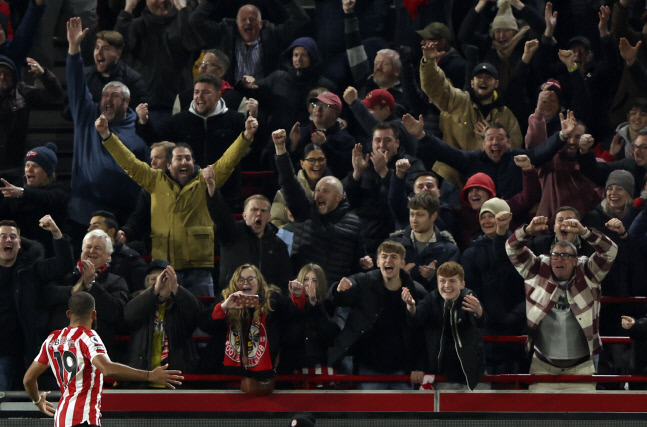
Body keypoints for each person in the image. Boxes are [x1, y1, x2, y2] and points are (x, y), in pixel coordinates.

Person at [96, 113, 257, 297]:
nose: (184, 162)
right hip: (164, 267)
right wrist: (107, 136)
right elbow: (129, 163)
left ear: (193, 162)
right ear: (169, 164)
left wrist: (246, 137)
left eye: (188, 158)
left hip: (199, 269)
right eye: (179, 158)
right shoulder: (154, 180)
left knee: (199, 320)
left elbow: (229, 161)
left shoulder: (205, 179)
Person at [23, 292, 183, 426]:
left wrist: (38, 401)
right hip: (83, 417)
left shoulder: (52, 339)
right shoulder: (87, 336)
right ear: (94, 314)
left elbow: (28, 379)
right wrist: (149, 375)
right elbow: (107, 368)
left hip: (62, 418)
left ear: (68, 314)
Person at [505, 215, 618, 391]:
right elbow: (512, 248)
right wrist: (527, 231)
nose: (559, 259)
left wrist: (584, 232)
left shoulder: (588, 271)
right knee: (540, 419)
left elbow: (610, 250)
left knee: (583, 418)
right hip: (542, 368)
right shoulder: (537, 270)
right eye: (555, 255)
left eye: (565, 256)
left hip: (581, 369)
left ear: (575, 260)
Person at [66, 17, 149, 231]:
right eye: (104, 95)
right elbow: (76, 83)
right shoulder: (88, 117)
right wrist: (74, 49)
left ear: (127, 101)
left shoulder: (139, 129)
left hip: (122, 216)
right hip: (82, 212)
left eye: (114, 96)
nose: (108, 100)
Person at [418, 38, 522, 188]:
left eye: (488, 78)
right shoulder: (458, 101)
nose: (483, 81)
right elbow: (436, 87)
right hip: (453, 173)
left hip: (488, 176)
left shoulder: (506, 115)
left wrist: (490, 139)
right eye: (479, 77)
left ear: (496, 83)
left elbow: (514, 148)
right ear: (472, 82)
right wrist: (429, 63)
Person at [272, 128, 371, 285]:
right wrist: (280, 149)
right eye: (317, 191)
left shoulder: (354, 224)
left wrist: (364, 264)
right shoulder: (305, 211)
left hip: (337, 296)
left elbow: (358, 262)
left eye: (325, 191)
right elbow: (289, 183)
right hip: (304, 294)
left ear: (339, 197)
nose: (318, 195)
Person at [136, 72, 246, 208]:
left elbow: (249, 147)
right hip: (187, 195)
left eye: (206, 92)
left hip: (228, 196)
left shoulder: (236, 120)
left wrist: (254, 117)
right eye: (196, 92)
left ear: (218, 95)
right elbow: (157, 143)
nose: (199, 96)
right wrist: (144, 122)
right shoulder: (179, 121)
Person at [328, 241, 427, 390]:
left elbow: (421, 332)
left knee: (404, 413)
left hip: (402, 368)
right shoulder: (363, 282)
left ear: (402, 263)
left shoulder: (417, 291)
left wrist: (419, 366)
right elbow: (339, 298)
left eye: (394, 256)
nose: (388, 260)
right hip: (369, 366)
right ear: (378, 261)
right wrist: (338, 289)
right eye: (384, 256)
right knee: (369, 412)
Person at [408, 113, 570, 200]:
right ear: (483, 143)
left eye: (500, 139)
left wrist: (562, 135)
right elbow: (446, 152)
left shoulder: (518, 157)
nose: (495, 143)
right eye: (490, 139)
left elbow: (541, 152)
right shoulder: (472, 159)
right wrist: (422, 135)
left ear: (509, 142)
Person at [0, 215, 74, 391]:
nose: (8, 240)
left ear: (19, 242)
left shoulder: (31, 269)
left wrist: (56, 233)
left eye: (12, 236)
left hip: (25, 351)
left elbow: (63, 265)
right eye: (3, 236)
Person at [461, 201, 527, 376]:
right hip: (485, 330)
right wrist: (483, 315)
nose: (487, 221)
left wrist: (516, 315)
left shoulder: (522, 248)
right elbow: (470, 289)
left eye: (492, 216)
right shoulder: (471, 253)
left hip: (517, 330)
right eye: (484, 217)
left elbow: (530, 287)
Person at [42, 229, 129, 356]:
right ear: (82, 251)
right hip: (58, 350)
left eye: (98, 248)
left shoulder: (116, 281)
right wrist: (73, 289)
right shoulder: (65, 276)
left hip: (94, 354)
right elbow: (46, 297)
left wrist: (92, 284)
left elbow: (115, 314)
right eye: (88, 247)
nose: (92, 251)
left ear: (108, 256)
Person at [204, 167, 292, 293]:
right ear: (244, 216)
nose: (259, 214)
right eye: (254, 210)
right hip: (233, 300)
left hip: (266, 304)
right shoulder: (231, 233)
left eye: (263, 211)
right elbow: (221, 215)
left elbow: (284, 282)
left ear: (269, 217)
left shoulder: (279, 245)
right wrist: (212, 188)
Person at [402, 261, 485, 391]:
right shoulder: (432, 298)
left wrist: (479, 312)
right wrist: (411, 307)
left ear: (462, 284)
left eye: (452, 281)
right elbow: (415, 322)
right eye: (442, 281)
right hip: (440, 373)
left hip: (470, 374)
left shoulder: (469, 298)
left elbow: (481, 323)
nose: (447, 285)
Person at [343, 122, 425, 253]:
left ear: (397, 143)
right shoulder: (364, 164)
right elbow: (347, 202)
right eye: (378, 140)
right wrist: (356, 173)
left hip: (396, 236)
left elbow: (414, 195)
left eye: (388, 140)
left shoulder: (411, 164)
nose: (382, 145)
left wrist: (385, 173)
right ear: (372, 143)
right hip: (363, 237)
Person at [115, 0, 203, 122]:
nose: (162, 1)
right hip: (143, 108)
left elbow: (195, 44)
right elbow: (118, 49)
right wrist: (128, 10)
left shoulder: (183, 23)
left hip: (179, 108)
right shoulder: (135, 25)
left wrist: (184, 10)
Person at [198, 264, 283, 382]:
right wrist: (224, 307)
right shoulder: (225, 299)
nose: (246, 283)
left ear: (259, 282)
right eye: (241, 280)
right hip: (226, 374)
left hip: (262, 376)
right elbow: (204, 324)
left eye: (251, 279)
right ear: (234, 283)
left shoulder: (272, 303)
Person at [189, 0, 310, 83]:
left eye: (252, 19)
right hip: (232, 95)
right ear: (236, 23)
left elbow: (301, 20)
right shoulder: (224, 34)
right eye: (243, 19)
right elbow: (195, 20)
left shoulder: (273, 35)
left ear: (261, 24)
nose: (248, 22)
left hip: (264, 94)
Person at [123, 260, 199, 385]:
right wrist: (154, 290)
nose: (161, 281)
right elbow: (128, 317)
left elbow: (196, 314)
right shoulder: (138, 300)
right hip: (142, 375)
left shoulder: (181, 303)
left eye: (165, 278)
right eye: (154, 279)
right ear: (147, 283)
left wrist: (176, 288)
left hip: (176, 375)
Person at [0, 143, 70, 257]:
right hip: (18, 255)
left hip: (47, 256)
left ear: (47, 172)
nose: (29, 169)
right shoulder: (15, 190)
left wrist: (22, 193)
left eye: (35, 166)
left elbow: (47, 198)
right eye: (27, 165)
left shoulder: (59, 191)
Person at [0, 55, 64, 180]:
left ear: (13, 76)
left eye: (6, 73)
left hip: (15, 167)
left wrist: (44, 74)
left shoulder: (22, 91)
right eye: (0, 73)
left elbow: (55, 95)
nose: (2, 77)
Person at [389, 192, 459, 292]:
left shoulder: (449, 250)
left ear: (434, 215)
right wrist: (397, 275)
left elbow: (453, 287)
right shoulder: (393, 245)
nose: (414, 220)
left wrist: (434, 276)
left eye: (420, 215)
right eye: (412, 214)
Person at [278, 264, 340, 375]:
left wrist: (315, 304)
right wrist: (297, 302)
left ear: (320, 283)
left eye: (314, 280)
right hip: (290, 367)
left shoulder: (329, 306)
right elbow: (286, 335)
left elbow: (331, 336)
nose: (309, 283)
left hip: (318, 368)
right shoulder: (287, 305)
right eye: (305, 279)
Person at [288, 91, 355, 179]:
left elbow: (344, 171)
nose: (318, 109)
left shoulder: (347, 140)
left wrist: (325, 146)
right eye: (315, 104)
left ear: (337, 112)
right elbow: (288, 170)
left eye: (325, 106)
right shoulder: (301, 133)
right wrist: (293, 146)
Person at [270, 143, 331, 229]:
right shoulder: (285, 192)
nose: (317, 164)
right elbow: (275, 225)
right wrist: (294, 236)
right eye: (311, 160)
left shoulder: (335, 190)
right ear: (302, 163)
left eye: (321, 159)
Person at [87, 210, 147, 295]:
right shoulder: (86, 256)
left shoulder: (132, 261)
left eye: (95, 227)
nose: (89, 230)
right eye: (89, 226)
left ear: (111, 231)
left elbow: (140, 298)